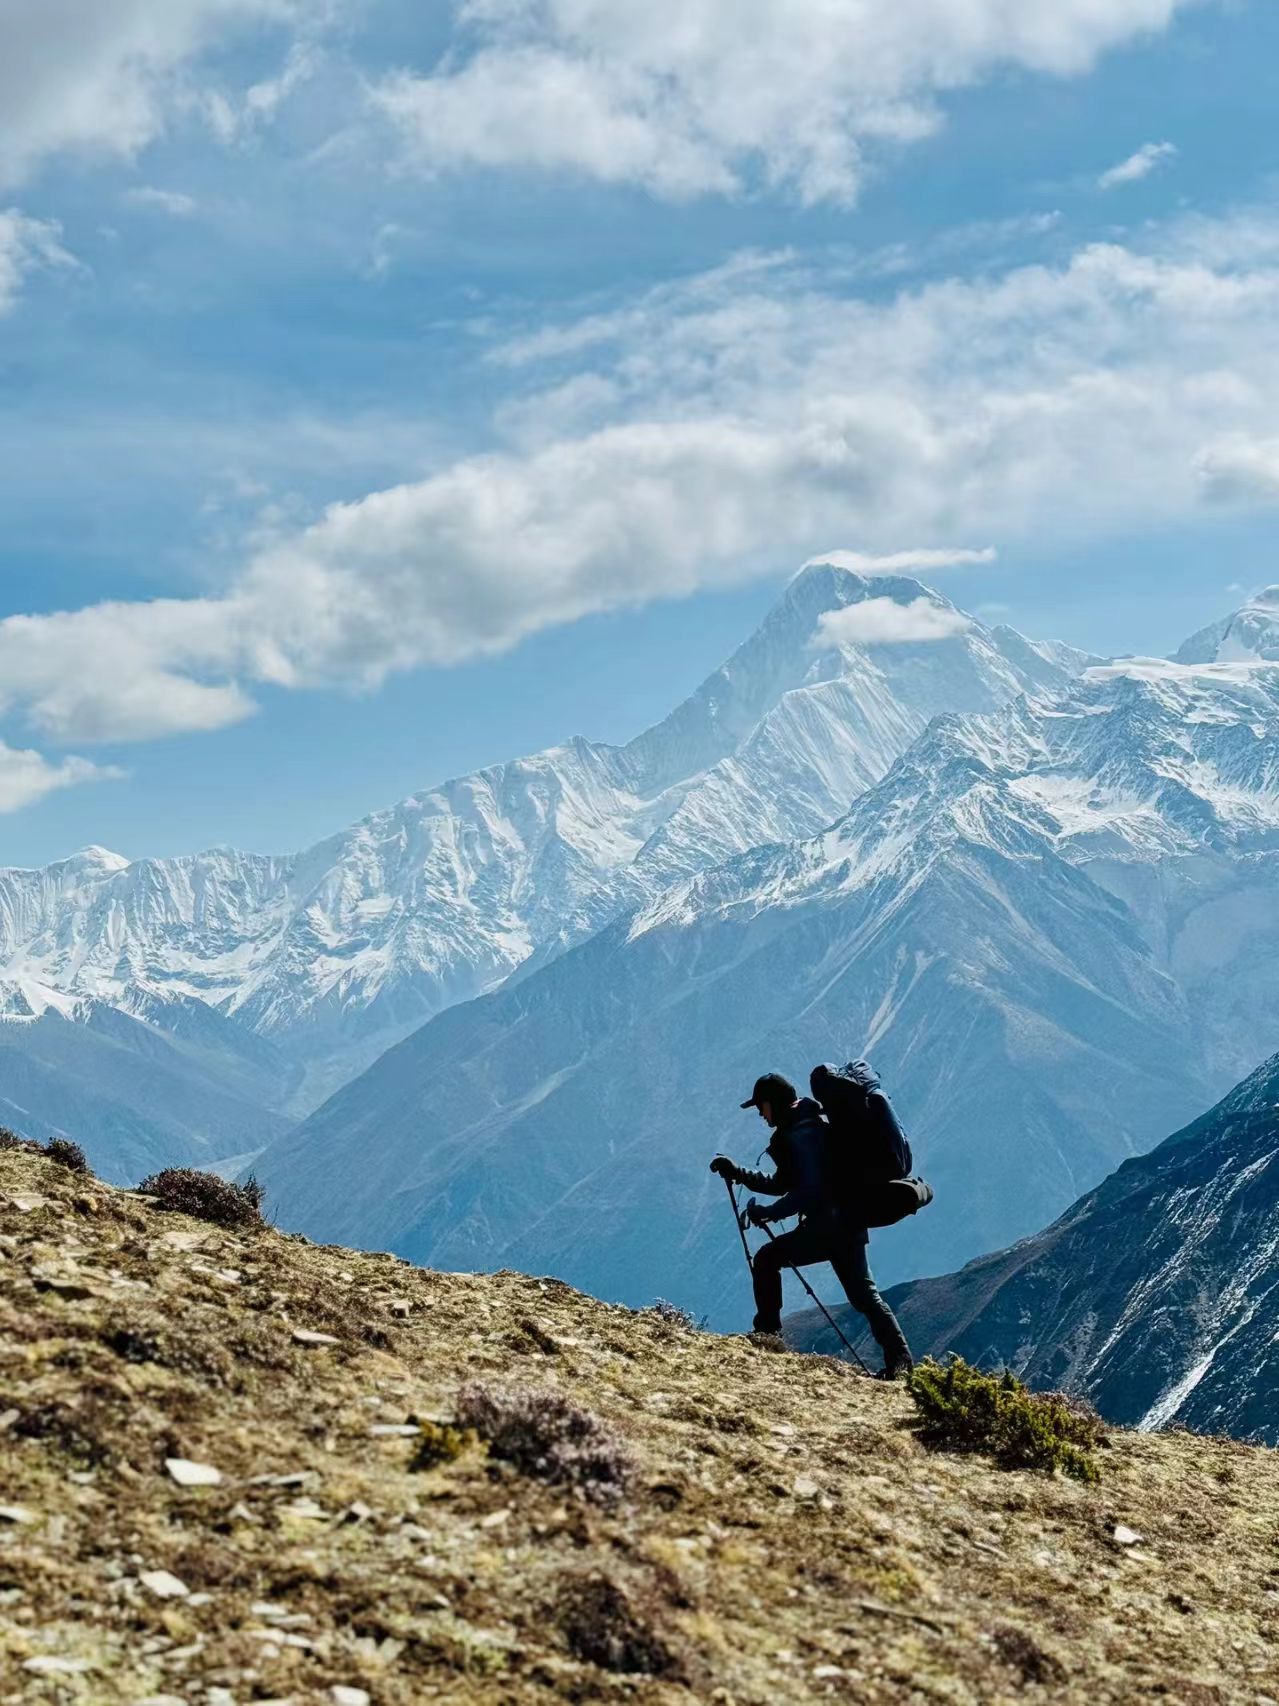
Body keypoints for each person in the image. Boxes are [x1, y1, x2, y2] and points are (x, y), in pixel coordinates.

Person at [710, 1071, 913, 1378]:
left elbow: (808, 1190)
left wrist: (770, 1212)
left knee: (767, 1259)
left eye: (761, 1107)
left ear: (774, 1103)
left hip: (827, 1228)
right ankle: (901, 1365)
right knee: (865, 1296)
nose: (760, 1115)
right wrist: (737, 1172)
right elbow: (783, 1184)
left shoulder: (801, 1134)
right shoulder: (807, 1126)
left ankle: (768, 1336)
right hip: (848, 1222)